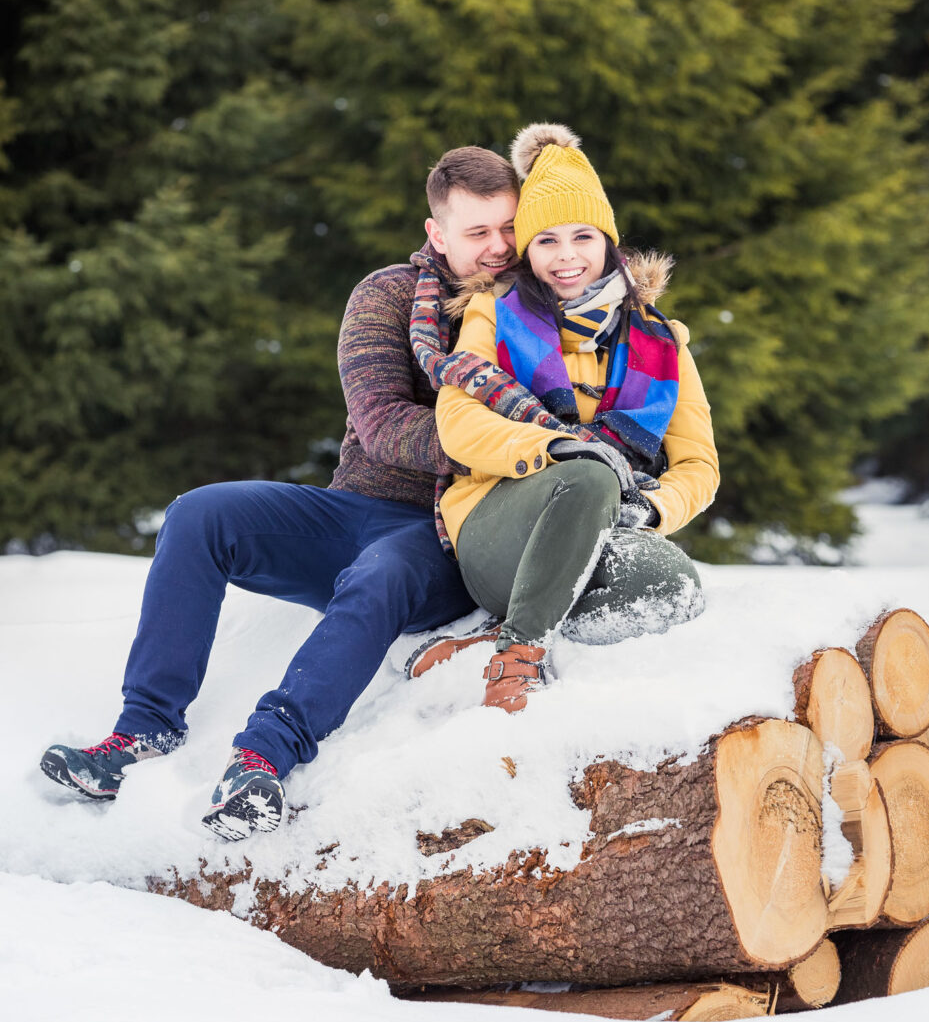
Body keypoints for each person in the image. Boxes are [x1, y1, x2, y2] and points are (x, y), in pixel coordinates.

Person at [40, 146, 521, 837]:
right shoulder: (387, 296)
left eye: (509, 228)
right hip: (356, 507)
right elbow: (383, 424)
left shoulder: (538, 307)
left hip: (453, 532)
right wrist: (498, 439)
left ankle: (262, 759)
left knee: (382, 570)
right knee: (201, 514)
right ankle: (142, 730)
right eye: (479, 232)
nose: (499, 247)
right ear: (437, 232)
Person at [405, 123, 719, 711]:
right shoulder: (493, 313)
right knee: (591, 470)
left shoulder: (663, 341)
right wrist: (557, 450)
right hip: (497, 529)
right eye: (546, 240)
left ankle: (489, 639)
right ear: (527, 250)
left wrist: (652, 507)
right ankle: (515, 665)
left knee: (673, 585)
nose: (567, 256)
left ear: (609, 242)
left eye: (582, 236)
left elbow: (699, 465)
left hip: (606, 529)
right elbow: (461, 425)